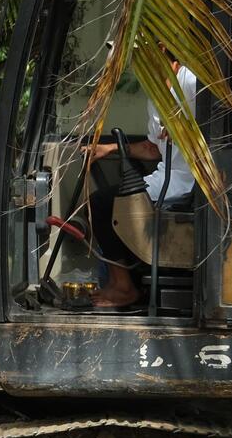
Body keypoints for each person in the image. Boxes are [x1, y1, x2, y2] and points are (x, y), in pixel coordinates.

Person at [85, 61, 200, 311]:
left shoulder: (191, 80)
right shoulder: (155, 95)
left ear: (159, 51)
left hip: (189, 183)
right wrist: (111, 148)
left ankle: (124, 287)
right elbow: (152, 149)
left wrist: (186, 124)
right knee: (102, 203)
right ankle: (124, 281)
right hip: (165, 177)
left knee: (104, 204)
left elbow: (224, 114)